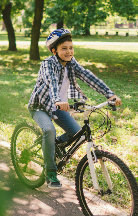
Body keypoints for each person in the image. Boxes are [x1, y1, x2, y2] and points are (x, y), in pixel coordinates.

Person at [28, 28, 122, 189]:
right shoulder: (47, 64)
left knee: (78, 135)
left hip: (58, 107)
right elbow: (51, 83)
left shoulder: (72, 63)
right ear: (54, 50)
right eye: (64, 48)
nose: (69, 51)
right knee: (49, 130)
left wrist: (110, 95)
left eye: (71, 47)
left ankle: (54, 145)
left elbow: (88, 76)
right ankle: (50, 172)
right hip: (41, 106)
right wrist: (58, 100)